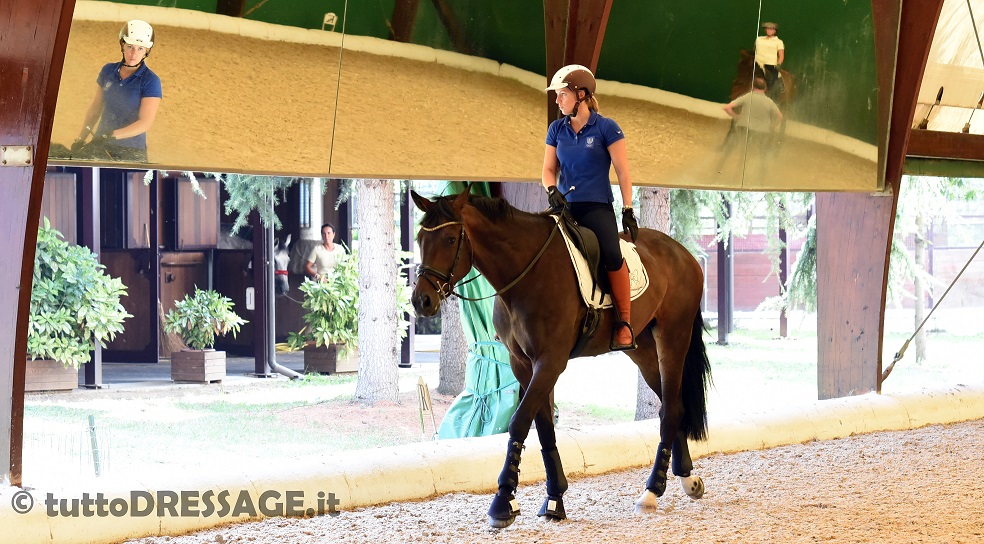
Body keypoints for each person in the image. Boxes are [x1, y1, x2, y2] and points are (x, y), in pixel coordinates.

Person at [542, 64, 638, 351]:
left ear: (581, 95)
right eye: (557, 95)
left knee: (611, 251)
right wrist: (551, 190)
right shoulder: (556, 129)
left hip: (597, 207)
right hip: (565, 207)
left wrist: (628, 209)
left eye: (562, 95)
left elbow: (622, 171)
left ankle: (624, 323)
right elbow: (548, 169)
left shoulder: (606, 127)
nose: (557, 100)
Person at [72, 19, 162, 162]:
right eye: (130, 47)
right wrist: (81, 139)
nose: (134, 53)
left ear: (147, 51)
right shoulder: (108, 70)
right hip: (100, 144)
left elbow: (145, 123)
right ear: (122, 45)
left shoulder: (151, 81)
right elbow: (95, 109)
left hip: (131, 151)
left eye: (140, 49)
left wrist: (112, 135)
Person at [721, 77, 784, 171]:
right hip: (763, 131)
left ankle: (723, 161)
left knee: (734, 144)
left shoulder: (747, 96)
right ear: (765, 89)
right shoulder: (769, 102)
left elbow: (726, 107)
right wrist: (772, 126)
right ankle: (762, 173)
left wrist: (737, 116)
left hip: (744, 127)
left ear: (752, 87)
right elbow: (780, 117)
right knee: (763, 153)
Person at [754, 22, 784, 101]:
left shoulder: (778, 42)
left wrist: (779, 63)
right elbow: (754, 50)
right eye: (767, 29)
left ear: (775, 31)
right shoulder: (759, 39)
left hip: (769, 65)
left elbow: (781, 55)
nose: (769, 31)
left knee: (772, 83)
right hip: (757, 63)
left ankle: (773, 99)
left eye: (771, 29)